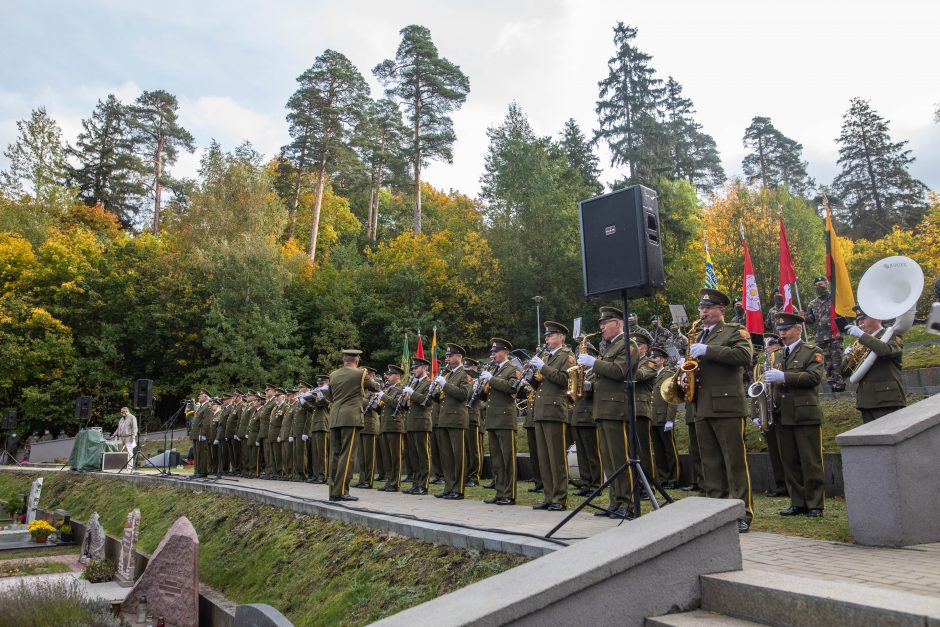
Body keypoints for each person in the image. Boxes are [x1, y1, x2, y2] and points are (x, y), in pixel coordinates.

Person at [689, 288, 754, 533]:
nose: (703, 312)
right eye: (701, 308)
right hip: (702, 404)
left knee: (734, 461)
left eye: (708, 308)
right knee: (710, 463)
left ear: (721, 310)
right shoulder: (698, 336)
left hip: (727, 405)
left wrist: (709, 351)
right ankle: (715, 511)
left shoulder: (733, 331)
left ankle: (741, 513)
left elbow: (745, 355)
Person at [764, 312, 826, 517]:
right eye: (780, 330)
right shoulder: (778, 354)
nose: (782, 333)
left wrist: (784, 376)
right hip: (783, 414)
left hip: (805, 412)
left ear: (798, 329)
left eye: (786, 329)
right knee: (789, 461)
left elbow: (814, 377)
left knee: (810, 460)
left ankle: (815, 503)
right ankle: (797, 501)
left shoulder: (812, 351)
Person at [578, 306, 637, 519]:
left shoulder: (628, 345)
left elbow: (620, 372)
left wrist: (594, 362)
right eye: (601, 323)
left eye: (605, 322)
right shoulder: (609, 346)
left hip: (616, 407)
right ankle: (615, 501)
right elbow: (603, 375)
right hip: (602, 408)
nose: (601, 327)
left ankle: (627, 503)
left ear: (618, 323)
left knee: (621, 457)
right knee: (610, 459)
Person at [529, 322, 575, 512]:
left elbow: (565, 380)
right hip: (541, 411)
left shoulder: (568, 356)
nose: (547, 339)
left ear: (561, 337)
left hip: (555, 410)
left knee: (556, 457)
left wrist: (543, 368)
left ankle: (559, 498)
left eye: (551, 336)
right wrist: (531, 375)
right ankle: (549, 496)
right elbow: (540, 385)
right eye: (546, 336)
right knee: (544, 458)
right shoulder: (547, 357)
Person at [327, 349, 381, 501]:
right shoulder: (360, 373)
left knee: (335, 455)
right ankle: (342, 490)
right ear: (357, 360)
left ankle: (333, 491)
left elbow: (330, 396)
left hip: (335, 417)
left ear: (344, 360)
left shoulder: (333, 374)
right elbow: (375, 388)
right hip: (351, 417)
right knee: (347, 455)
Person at [843, 307, 906, 423]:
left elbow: (885, 351)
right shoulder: (861, 342)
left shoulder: (892, 335)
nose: (860, 322)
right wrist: (847, 357)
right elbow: (845, 372)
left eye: (864, 318)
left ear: (878, 318)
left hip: (887, 399)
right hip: (866, 401)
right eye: (858, 319)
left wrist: (862, 335)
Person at [480, 338, 521, 506]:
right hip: (493, 419)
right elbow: (486, 396)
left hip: (505, 419)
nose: (493, 355)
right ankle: (500, 491)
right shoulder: (495, 370)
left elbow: (512, 388)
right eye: (492, 352)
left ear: (505, 352)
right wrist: (481, 387)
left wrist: (492, 379)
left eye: (496, 352)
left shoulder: (513, 368)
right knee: (497, 460)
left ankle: (509, 494)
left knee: (507, 458)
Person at [433, 344, 472, 500]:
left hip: (456, 419)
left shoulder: (466, 374)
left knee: (458, 456)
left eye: (450, 356)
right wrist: (435, 392)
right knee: (446, 456)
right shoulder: (448, 375)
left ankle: (458, 488)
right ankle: (448, 486)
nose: (447, 359)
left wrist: (444, 385)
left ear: (459, 357)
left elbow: (463, 395)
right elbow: (442, 398)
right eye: (447, 356)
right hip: (444, 419)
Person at [754, 335, 788, 498]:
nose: (769, 347)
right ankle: (780, 485)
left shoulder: (783, 356)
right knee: (774, 451)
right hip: (766, 411)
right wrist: (756, 413)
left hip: (780, 408)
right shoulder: (761, 365)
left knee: (786, 451)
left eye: (772, 344)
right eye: (768, 345)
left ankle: (790, 485)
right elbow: (755, 389)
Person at [804, 276, 846, 392]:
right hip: (820, 337)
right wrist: (802, 317)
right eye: (817, 285)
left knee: (836, 360)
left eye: (821, 284)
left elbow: (843, 314)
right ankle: (832, 382)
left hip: (834, 335)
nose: (819, 287)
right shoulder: (812, 303)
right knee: (826, 362)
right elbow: (810, 320)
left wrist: (841, 331)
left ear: (827, 284)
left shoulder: (834, 299)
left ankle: (840, 383)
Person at [571, 340, 602, 497]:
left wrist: (589, 385)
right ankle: (585, 483)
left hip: (590, 416)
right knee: (581, 453)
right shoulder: (579, 372)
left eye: (584, 355)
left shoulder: (596, 373)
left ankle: (596, 484)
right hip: (577, 416)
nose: (581, 359)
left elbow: (599, 389)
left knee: (592, 453)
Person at [630, 328, 658, 492]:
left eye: (637, 345)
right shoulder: (630, 361)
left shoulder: (650, 363)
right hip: (628, 409)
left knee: (644, 451)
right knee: (631, 450)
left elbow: (639, 376)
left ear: (645, 348)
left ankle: (649, 486)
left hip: (640, 409)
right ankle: (636, 484)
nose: (633, 347)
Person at [649, 347, 679, 488]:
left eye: (656, 358)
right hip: (653, 417)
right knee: (658, 450)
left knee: (669, 449)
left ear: (662, 360)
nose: (654, 360)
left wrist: (670, 419)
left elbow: (672, 398)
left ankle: (674, 478)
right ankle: (663, 478)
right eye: (652, 358)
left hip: (664, 417)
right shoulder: (651, 375)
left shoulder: (668, 374)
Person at [403, 357, 433, 495]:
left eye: (416, 368)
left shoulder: (429, 383)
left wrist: (412, 393)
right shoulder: (414, 384)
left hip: (422, 423)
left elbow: (426, 401)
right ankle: (416, 484)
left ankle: (424, 485)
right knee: (414, 456)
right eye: (413, 368)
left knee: (423, 455)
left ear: (424, 368)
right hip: (411, 423)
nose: (414, 370)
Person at [377, 365, 406, 492]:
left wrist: (383, 396)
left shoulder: (401, 389)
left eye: (390, 375)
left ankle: (395, 483)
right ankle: (389, 481)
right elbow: (381, 409)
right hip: (385, 425)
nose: (388, 377)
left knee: (395, 456)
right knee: (387, 456)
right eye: (387, 375)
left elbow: (397, 405)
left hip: (395, 425)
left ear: (397, 376)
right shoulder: (389, 390)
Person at [356, 368, 382, 489]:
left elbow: (376, 405)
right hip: (361, 424)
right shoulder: (363, 390)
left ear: (371, 376)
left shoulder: (376, 387)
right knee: (361, 456)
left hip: (370, 424)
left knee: (369, 456)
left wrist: (359, 399)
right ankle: (362, 479)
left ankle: (368, 480)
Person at [302, 376, 331, 484]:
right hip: (315, 426)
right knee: (315, 453)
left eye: (321, 383)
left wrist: (320, 396)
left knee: (322, 453)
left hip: (323, 425)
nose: (318, 386)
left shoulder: (329, 392)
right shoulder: (318, 393)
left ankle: (323, 476)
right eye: (318, 384)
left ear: (327, 383)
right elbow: (313, 408)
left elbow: (329, 406)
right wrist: (304, 402)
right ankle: (315, 474)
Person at [189, 390, 212, 478]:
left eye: (200, 395)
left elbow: (206, 422)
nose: (198, 397)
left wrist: (203, 433)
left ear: (206, 397)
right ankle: (197, 470)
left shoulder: (208, 406)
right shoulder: (201, 406)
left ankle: (202, 471)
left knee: (201, 453)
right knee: (196, 453)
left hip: (201, 433)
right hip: (196, 433)